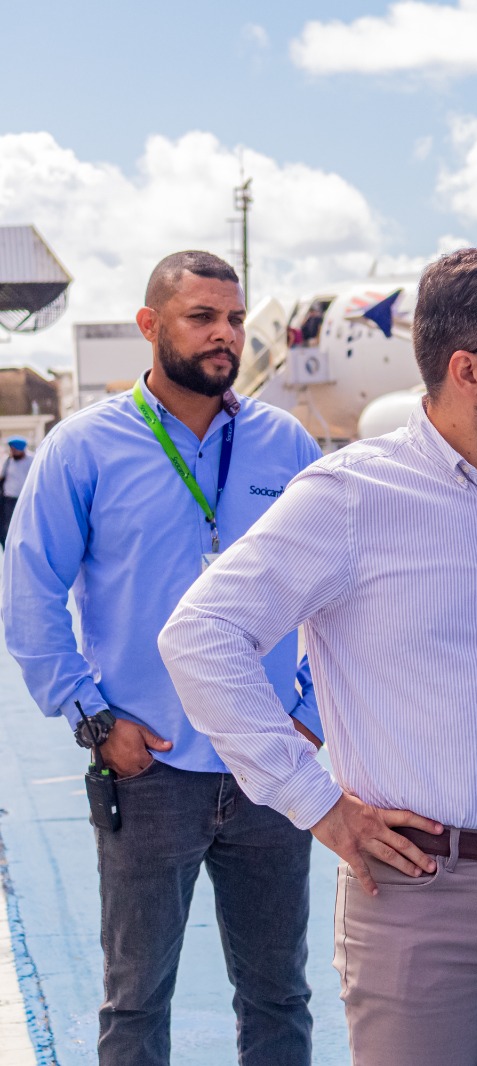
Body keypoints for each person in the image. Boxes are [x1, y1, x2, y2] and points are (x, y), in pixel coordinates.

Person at [159, 247, 477, 1066]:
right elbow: (201, 637)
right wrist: (317, 805)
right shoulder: (350, 498)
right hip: (415, 895)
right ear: (467, 370)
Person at [0, 251, 325, 1065]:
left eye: (235, 319)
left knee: (279, 995)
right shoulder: (84, 448)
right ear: (151, 326)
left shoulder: (283, 443)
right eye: (202, 318)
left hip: (270, 769)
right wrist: (93, 719)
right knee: (137, 1001)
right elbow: (30, 595)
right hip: (150, 770)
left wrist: (312, 715)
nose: (225, 336)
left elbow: (341, 591)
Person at [1, 436, 33, 546]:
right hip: (9, 499)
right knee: (8, 527)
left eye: (14, 449)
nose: (12, 452)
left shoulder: (31, 460)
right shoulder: (9, 461)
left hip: (24, 499)